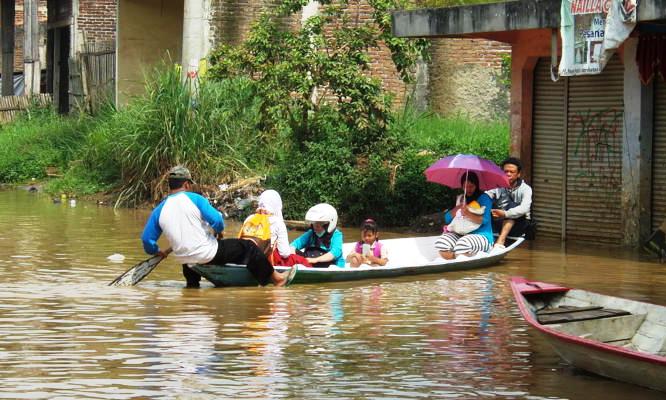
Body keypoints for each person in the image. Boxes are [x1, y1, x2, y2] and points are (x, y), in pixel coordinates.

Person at [141, 165, 294, 288]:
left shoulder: (159, 209)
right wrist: (219, 231)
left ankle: (192, 288)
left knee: (189, 265)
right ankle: (277, 279)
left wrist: (157, 251)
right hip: (207, 253)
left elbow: (147, 240)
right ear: (186, 184)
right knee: (248, 247)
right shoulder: (195, 199)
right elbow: (217, 220)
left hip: (184, 259)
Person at [435, 171, 494, 259]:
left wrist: (468, 213)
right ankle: (456, 259)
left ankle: (459, 256)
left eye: (471, 186)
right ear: (462, 186)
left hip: (482, 235)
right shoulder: (461, 198)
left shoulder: (484, 198)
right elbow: (447, 219)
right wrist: (458, 208)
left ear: (476, 185)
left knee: (462, 245)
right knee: (441, 243)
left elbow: (485, 220)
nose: (468, 189)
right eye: (465, 186)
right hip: (460, 233)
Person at [253, 189, 309, 267]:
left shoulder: (250, 218)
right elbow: (284, 254)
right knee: (303, 261)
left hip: (250, 256)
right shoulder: (277, 222)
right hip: (269, 259)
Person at [486, 157, 533, 248]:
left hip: (520, 224)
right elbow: (487, 196)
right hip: (499, 221)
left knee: (513, 205)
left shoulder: (526, 189)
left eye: (512, 172)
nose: (508, 174)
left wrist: (505, 213)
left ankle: (501, 240)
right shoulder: (497, 186)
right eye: (505, 171)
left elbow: (524, 208)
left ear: (518, 174)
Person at [290, 203, 345, 268]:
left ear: (328, 224)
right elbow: (294, 244)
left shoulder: (337, 235)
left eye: (319, 225)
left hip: (332, 265)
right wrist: (292, 255)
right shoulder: (311, 233)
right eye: (314, 225)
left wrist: (315, 260)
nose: (316, 228)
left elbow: (334, 253)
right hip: (310, 262)